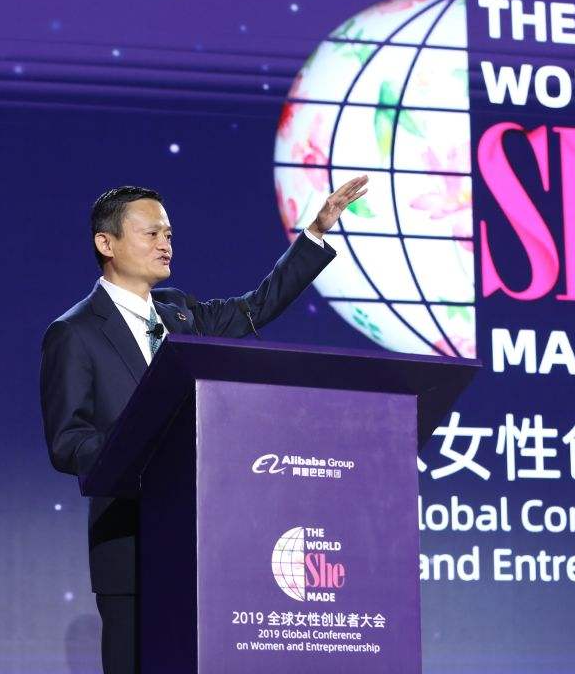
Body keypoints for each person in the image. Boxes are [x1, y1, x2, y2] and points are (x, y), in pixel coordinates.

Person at [39, 176, 368, 673]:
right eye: (151, 233)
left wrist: (316, 233)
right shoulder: (74, 332)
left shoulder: (181, 313)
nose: (165, 244)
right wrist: (142, 442)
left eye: (169, 234)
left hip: (201, 544)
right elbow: (68, 443)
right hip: (130, 545)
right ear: (106, 243)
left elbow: (256, 308)